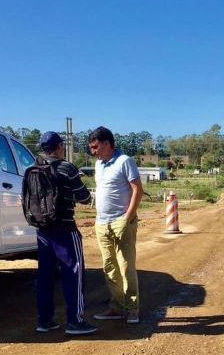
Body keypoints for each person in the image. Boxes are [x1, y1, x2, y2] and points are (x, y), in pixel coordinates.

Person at [34, 131, 98, 336]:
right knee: (74, 273)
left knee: (44, 276)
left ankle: (45, 321)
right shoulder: (67, 168)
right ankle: (75, 322)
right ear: (60, 146)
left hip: (42, 230)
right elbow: (85, 197)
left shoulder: (33, 168)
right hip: (65, 229)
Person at [88, 126, 144, 324]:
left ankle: (132, 309)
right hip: (102, 223)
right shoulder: (98, 165)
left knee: (126, 266)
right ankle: (117, 306)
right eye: (92, 148)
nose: (93, 152)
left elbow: (137, 189)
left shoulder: (124, 161)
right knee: (110, 267)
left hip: (122, 221)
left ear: (107, 143)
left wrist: (128, 218)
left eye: (95, 147)